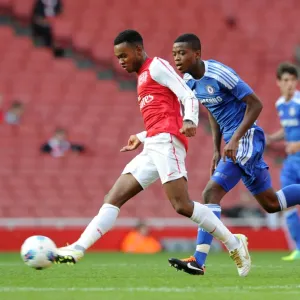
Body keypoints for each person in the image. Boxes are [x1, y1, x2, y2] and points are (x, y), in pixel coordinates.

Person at [55, 30, 251, 277]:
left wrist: (190, 120)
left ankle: (234, 243)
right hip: (154, 143)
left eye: (124, 55)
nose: (121, 61)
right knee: (113, 197)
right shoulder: (141, 78)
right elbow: (161, 117)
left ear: (138, 50)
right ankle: (77, 248)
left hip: (168, 142)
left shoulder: (157, 66)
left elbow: (187, 94)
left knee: (182, 205)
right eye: (117, 58)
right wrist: (142, 136)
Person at [168, 33, 300, 275]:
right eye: (174, 53)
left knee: (211, 192)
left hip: (247, 137)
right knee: (272, 203)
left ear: (196, 54)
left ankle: (199, 260)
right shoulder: (188, 81)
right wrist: (216, 149)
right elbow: (212, 110)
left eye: (182, 53)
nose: (177, 58)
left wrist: (236, 138)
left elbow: (256, 103)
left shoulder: (219, 73)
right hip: (232, 141)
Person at [267, 63, 300, 261]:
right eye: (285, 80)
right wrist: (271, 138)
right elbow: (286, 130)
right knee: (286, 204)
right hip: (290, 162)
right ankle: (298, 248)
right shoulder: (280, 104)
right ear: (278, 82)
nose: (290, 84)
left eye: (293, 80)